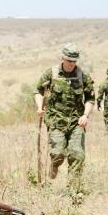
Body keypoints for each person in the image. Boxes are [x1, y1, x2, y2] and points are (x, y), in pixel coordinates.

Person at [34, 44, 95, 201]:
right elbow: (38, 91)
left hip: (76, 122)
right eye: (69, 60)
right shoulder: (52, 73)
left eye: (74, 61)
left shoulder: (83, 76)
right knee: (58, 153)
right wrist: (40, 106)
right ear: (62, 58)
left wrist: (86, 115)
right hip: (56, 120)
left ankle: (74, 192)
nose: (71, 63)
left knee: (77, 155)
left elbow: (90, 98)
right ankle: (54, 165)